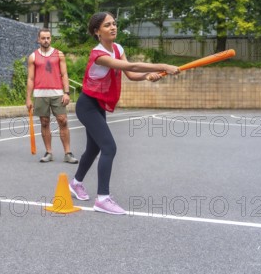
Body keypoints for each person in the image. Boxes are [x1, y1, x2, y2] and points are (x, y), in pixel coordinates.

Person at [68, 12, 180, 215]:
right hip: (87, 105)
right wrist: (163, 65)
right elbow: (130, 65)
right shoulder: (98, 55)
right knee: (109, 146)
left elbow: (131, 74)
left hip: (98, 105)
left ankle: (75, 183)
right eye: (107, 25)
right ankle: (103, 199)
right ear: (97, 32)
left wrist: (147, 76)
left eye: (114, 24)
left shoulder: (118, 49)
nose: (113, 27)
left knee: (94, 149)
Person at [26, 28, 78, 164]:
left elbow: (64, 74)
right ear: (38, 40)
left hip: (57, 93)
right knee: (44, 123)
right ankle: (49, 152)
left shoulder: (59, 54)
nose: (46, 40)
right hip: (40, 94)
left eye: (48, 38)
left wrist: (66, 93)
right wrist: (28, 98)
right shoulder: (33, 56)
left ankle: (67, 153)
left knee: (63, 121)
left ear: (51, 39)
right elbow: (30, 79)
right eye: (43, 38)